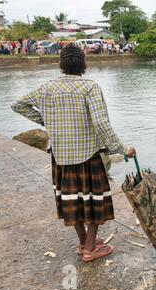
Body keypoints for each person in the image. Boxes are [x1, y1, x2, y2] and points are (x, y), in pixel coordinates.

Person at [11, 44, 136, 262]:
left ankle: (83, 243)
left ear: (61, 65)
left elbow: (18, 105)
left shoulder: (47, 88)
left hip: (60, 156)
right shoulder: (89, 87)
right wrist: (123, 149)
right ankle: (89, 249)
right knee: (95, 201)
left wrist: (47, 122)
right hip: (88, 155)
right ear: (83, 64)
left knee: (71, 201)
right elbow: (101, 123)